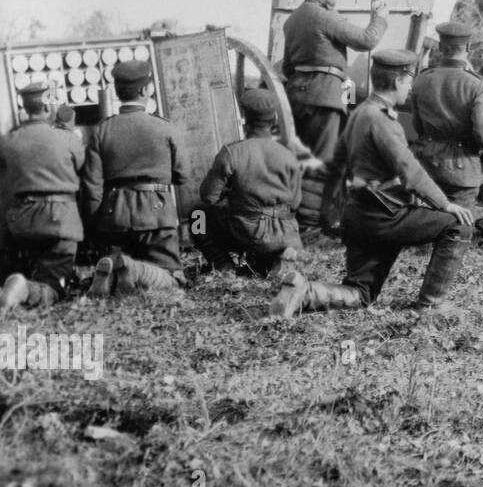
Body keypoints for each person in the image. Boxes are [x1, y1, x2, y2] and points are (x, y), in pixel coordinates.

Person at [270, 50, 476, 322]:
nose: (411, 87)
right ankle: (430, 305)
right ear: (398, 81)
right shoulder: (381, 121)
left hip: (358, 214)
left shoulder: (359, 113)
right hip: (384, 217)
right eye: (408, 81)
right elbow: (409, 170)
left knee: (362, 293)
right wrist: (445, 203)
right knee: (457, 226)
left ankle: (305, 292)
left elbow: (337, 164)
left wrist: (331, 213)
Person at [281, 0, 387, 227]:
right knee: (327, 161)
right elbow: (367, 40)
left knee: (299, 157)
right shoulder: (325, 16)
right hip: (325, 97)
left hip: (296, 95)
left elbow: (286, 67)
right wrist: (380, 17)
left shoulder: (292, 19)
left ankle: (293, 215)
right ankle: (319, 222)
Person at [82, 59, 187, 293]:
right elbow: (182, 175)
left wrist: (94, 229)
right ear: (145, 90)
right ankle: (135, 270)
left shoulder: (101, 130)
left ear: (118, 92)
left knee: (121, 264)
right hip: (156, 216)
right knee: (173, 280)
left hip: (114, 217)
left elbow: (92, 188)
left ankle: (116, 272)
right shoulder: (165, 127)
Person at [194, 88, 303, 277]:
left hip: (250, 233)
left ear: (244, 119)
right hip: (286, 232)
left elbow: (208, 197)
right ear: (274, 119)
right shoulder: (289, 155)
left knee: (197, 215)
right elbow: (295, 202)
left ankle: (225, 267)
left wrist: (231, 196)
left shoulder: (231, 152)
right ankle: (274, 258)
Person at [0, 81, 86, 310]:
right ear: (49, 108)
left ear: (26, 108)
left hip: (19, 221)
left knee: (30, 264)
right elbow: (82, 166)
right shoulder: (67, 139)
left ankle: (18, 282)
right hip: (59, 222)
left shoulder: (7, 142)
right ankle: (25, 289)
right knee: (55, 284)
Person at [410, 21, 483, 217]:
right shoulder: (477, 84)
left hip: (426, 163)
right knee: (459, 228)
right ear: (468, 47)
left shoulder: (422, 79)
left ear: (441, 48)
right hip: (461, 170)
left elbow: (417, 126)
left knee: (427, 220)